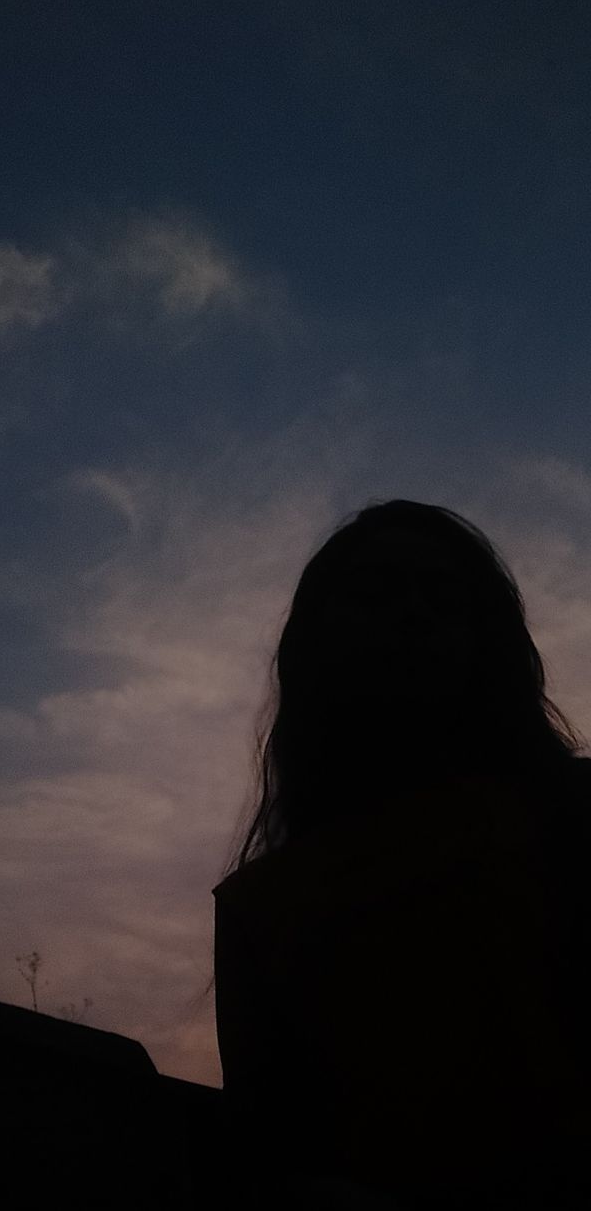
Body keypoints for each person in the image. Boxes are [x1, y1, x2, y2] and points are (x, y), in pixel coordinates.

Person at [211, 499, 591, 1209]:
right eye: (378, 594)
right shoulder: (262, 910)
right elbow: (268, 1151)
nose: (413, 613)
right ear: (322, 639)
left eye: (442, 594)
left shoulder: (575, 814)